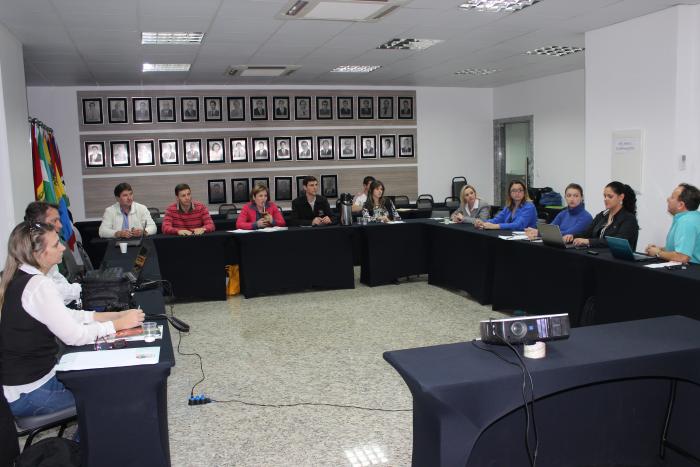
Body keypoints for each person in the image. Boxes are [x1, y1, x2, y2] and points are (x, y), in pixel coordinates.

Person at [0, 222, 144, 418]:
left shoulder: (22, 276)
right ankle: (84, 448)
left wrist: (115, 315)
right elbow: (75, 337)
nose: (62, 247)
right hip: (32, 393)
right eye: (55, 245)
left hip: (23, 388)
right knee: (111, 395)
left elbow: (67, 315)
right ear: (38, 253)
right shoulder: (39, 285)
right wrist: (118, 325)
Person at [24, 202, 81, 304]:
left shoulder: (46, 245)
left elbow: (56, 276)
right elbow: (50, 291)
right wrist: (76, 290)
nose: (60, 225)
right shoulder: (33, 250)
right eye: (54, 220)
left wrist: (75, 289)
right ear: (38, 223)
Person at [571, 181, 638, 248]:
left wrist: (589, 241)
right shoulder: (601, 215)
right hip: (597, 254)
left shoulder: (629, 219)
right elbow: (587, 233)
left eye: (610, 196)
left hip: (616, 257)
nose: (606, 199)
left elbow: (618, 242)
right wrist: (572, 237)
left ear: (621, 197)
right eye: (605, 196)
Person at [645, 183, 700, 264]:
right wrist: (659, 249)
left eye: (672, 197)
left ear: (681, 205)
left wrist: (658, 253)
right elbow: (681, 248)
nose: (668, 199)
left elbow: (682, 257)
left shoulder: (686, 222)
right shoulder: (693, 217)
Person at [525, 183, 592, 239]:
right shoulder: (563, 213)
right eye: (569, 196)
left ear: (582, 197)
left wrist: (540, 233)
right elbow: (551, 228)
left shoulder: (586, 217)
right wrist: (537, 231)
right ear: (565, 197)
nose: (572, 199)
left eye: (576, 196)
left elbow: (569, 233)